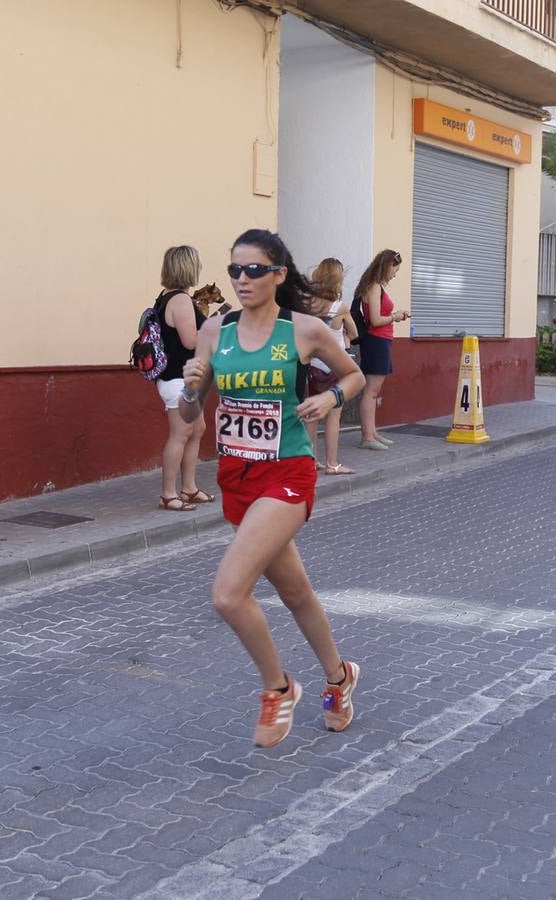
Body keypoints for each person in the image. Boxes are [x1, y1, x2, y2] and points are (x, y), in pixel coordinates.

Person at [178, 228, 366, 748]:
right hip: (237, 476)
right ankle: (339, 677)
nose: (242, 279)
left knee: (228, 593)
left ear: (279, 274)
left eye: (254, 270)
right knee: (294, 590)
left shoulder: (303, 330)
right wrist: (192, 389)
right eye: (234, 269)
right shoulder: (215, 330)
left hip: (287, 472)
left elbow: (354, 376)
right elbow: (190, 414)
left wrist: (330, 401)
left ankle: (278, 688)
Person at [152, 246, 211, 512]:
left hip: (180, 378)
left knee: (197, 429)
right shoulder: (181, 300)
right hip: (178, 378)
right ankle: (168, 494)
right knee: (180, 433)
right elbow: (191, 340)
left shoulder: (166, 297)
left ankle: (188, 487)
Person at [306, 258, 358, 476]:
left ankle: (310, 461)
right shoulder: (341, 308)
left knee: (311, 416)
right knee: (333, 416)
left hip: (314, 365)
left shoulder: (309, 305)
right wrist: (344, 336)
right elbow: (355, 334)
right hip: (336, 367)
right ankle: (332, 463)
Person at [353, 249, 409, 451]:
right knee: (371, 390)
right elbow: (375, 320)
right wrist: (396, 316)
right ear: (386, 266)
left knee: (374, 390)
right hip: (376, 341)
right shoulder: (374, 287)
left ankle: (372, 432)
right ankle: (367, 436)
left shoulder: (375, 286)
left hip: (380, 341)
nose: (395, 274)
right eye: (395, 269)